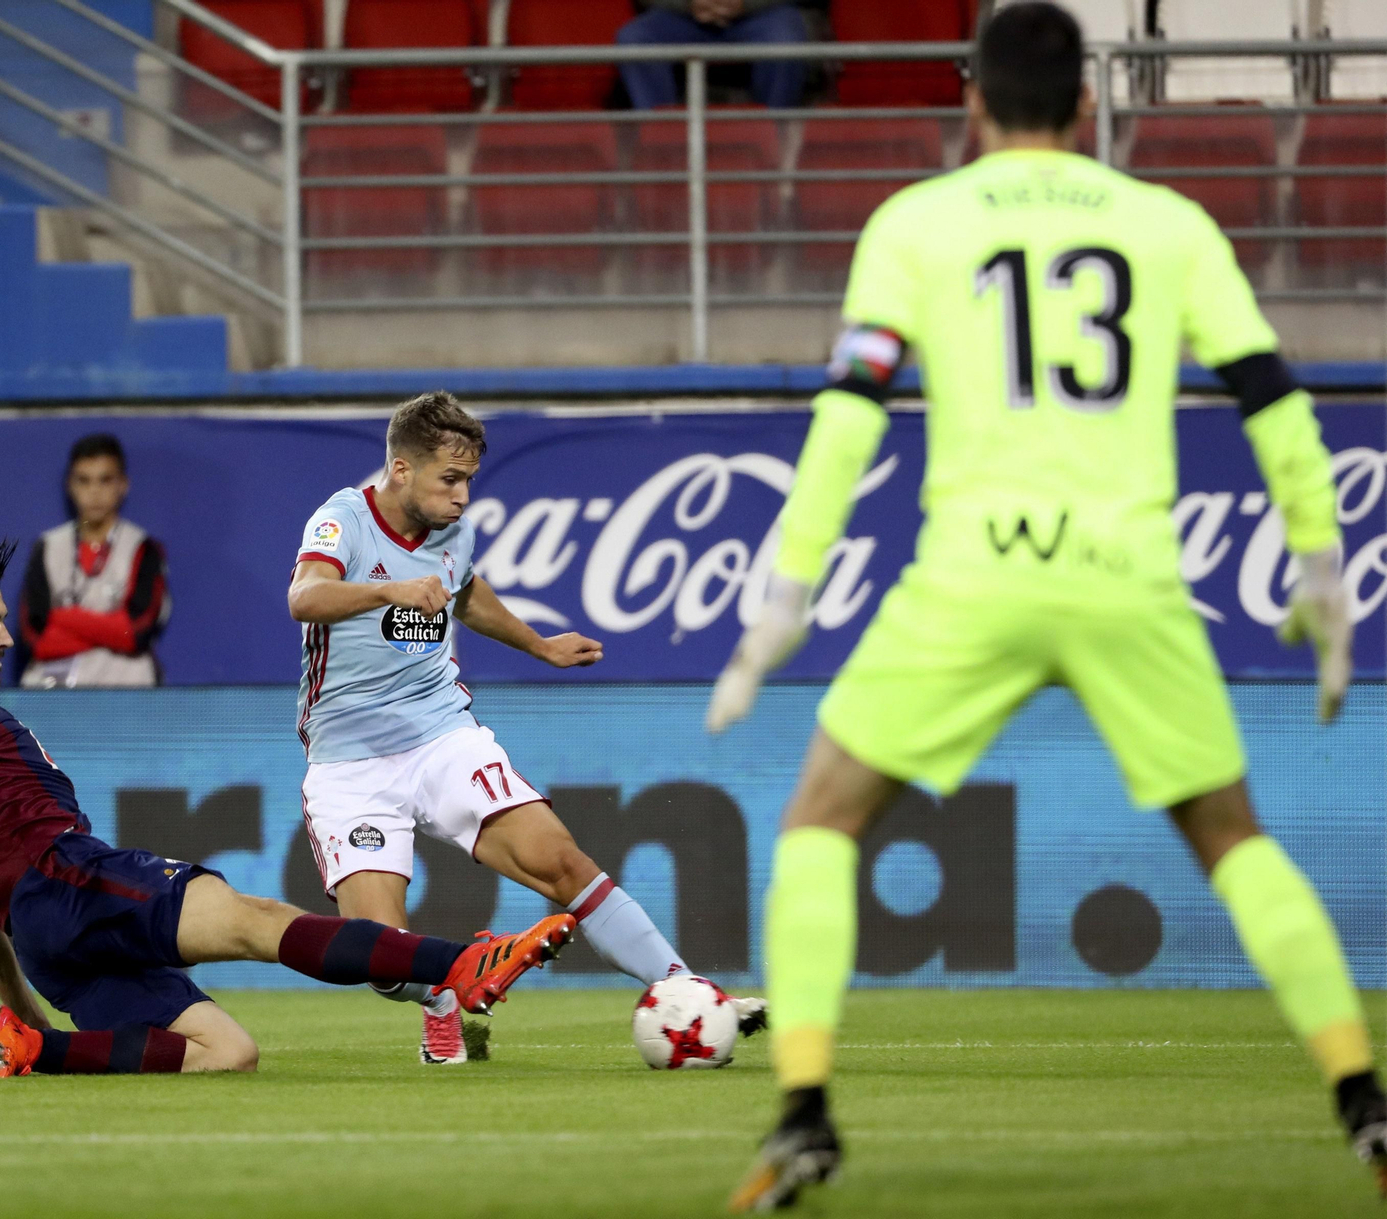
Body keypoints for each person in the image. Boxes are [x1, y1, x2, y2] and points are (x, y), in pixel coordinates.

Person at [706, 3, 1386, 1209]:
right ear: (1088, 105)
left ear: (970, 103)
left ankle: (803, 1109)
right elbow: (1276, 401)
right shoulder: (1167, 223)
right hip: (1127, 577)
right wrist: (1321, 565)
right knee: (1234, 840)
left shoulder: (915, 222)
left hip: (972, 574)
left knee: (819, 821)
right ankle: (1361, 1103)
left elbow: (850, 413)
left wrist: (788, 585)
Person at [0, 540, 573, 1078]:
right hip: (70, 881)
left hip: (41, 935)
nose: (8, 637)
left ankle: (30, 1053)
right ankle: (463, 964)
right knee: (259, 921)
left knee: (226, 1052)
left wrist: (34, 1020)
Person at [287, 391, 766, 1065]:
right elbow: (303, 596)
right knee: (379, 956)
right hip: (348, 764)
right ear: (400, 470)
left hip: (440, 735)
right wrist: (387, 590)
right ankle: (443, 994)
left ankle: (686, 988)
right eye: (448, 479)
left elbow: (465, 589)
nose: (461, 497)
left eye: (468, 482)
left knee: (562, 860)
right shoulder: (344, 519)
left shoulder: (454, 533)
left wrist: (538, 644)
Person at [19, 433, 169, 688]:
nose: (94, 492)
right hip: (54, 691)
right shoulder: (47, 546)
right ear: (70, 485)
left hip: (128, 690)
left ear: (123, 484)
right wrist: (109, 628)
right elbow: (36, 637)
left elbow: (135, 633)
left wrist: (62, 618)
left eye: (105, 480)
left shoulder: (143, 548)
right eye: (84, 481)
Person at [616, 0, 809, 110]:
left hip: (763, 12)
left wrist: (745, 4)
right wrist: (689, 4)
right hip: (683, 15)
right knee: (634, 39)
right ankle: (662, 139)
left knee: (785, 43)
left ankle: (774, 141)